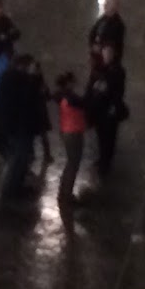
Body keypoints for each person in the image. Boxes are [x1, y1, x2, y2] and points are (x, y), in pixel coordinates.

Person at [0, 52, 49, 199]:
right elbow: (26, 100)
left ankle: (16, 187)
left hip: (18, 126)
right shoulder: (15, 79)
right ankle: (10, 191)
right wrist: (34, 79)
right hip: (18, 127)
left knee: (23, 158)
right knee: (18, 159)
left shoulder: (14, 78)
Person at [86, 38, 129, 186]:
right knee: (101, 136)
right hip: (99, 109)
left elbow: (118, 91)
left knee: (109, 138)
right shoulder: (99, 67)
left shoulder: (117, 70)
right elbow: (92, 85)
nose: (107, 54)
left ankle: (106, 162)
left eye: (110, 52)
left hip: (109, 110)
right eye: (105, 51)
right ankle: (102, 158)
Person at [54, 69, 87, 206]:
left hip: (67, 131)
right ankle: (66, 196)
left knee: (70, 163)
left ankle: (63, 192)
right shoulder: (72, 98)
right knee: (73, 164)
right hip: (73, 133)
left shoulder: (61, 95)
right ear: (69, 83)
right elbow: (86, 103)